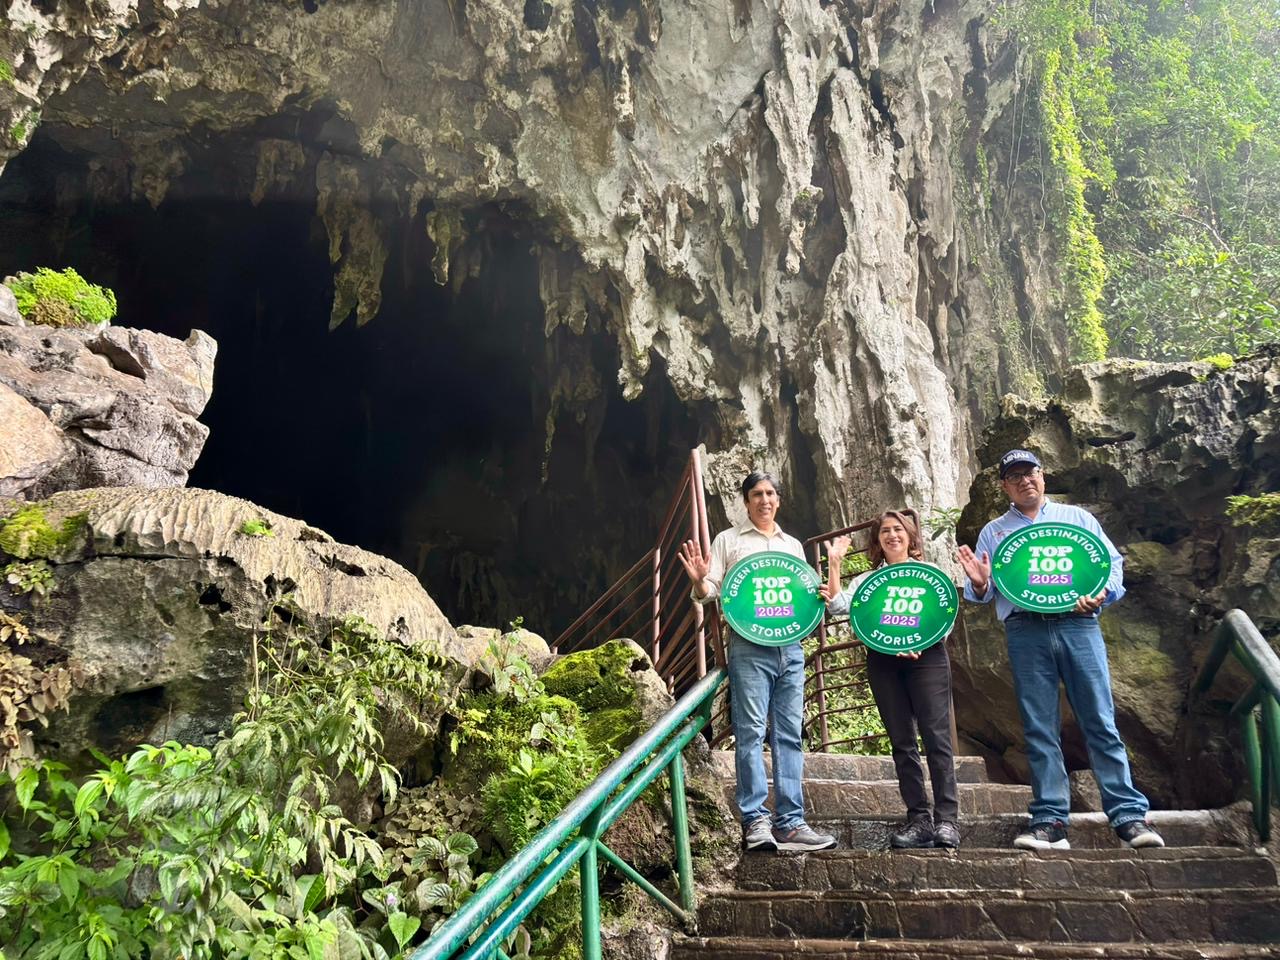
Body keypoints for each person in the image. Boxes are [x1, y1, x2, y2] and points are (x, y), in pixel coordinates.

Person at [956, 448, 1164, 850]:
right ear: (1004, 487)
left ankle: (1128, 818)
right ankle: (1050, 821)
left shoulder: (1078, 519)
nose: (1024, 481)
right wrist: (980, 583)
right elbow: (982, 591)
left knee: (1099, 719)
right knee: (1039, 726)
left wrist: (1102, 593)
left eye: (1029, 472)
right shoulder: (993, 532)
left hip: (1078, 623)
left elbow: (1112, 566)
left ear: (1043, 476)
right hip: (1025, 629)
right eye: (1014, 477)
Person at [678, 471, 837, 853]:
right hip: (749, 646)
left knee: (789, 734)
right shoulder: (728, 540)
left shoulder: (792, 545)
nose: (764, 500)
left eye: (770, 493)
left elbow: (802, 593)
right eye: (756, 494)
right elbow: (711, 590)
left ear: (778, 500)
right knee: (749, 732)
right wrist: (699, 581)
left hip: (790, 647)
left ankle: (791, 822)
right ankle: (755, 820)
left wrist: (819, 594)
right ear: (746, 501)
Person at [821, 511, 961, 850]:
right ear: (877, 540)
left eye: (898, 529)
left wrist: (919, 640)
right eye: (885, 531)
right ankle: (919, 820)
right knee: (902, 741)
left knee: (937, 738)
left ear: (910, 537)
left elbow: (943, 615)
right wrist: (835, 563)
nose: (892, 535)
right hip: (883, 660)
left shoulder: (929, 573)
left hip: (927, 658)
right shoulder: (868, 581)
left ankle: (947, 821)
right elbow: (839, 606)